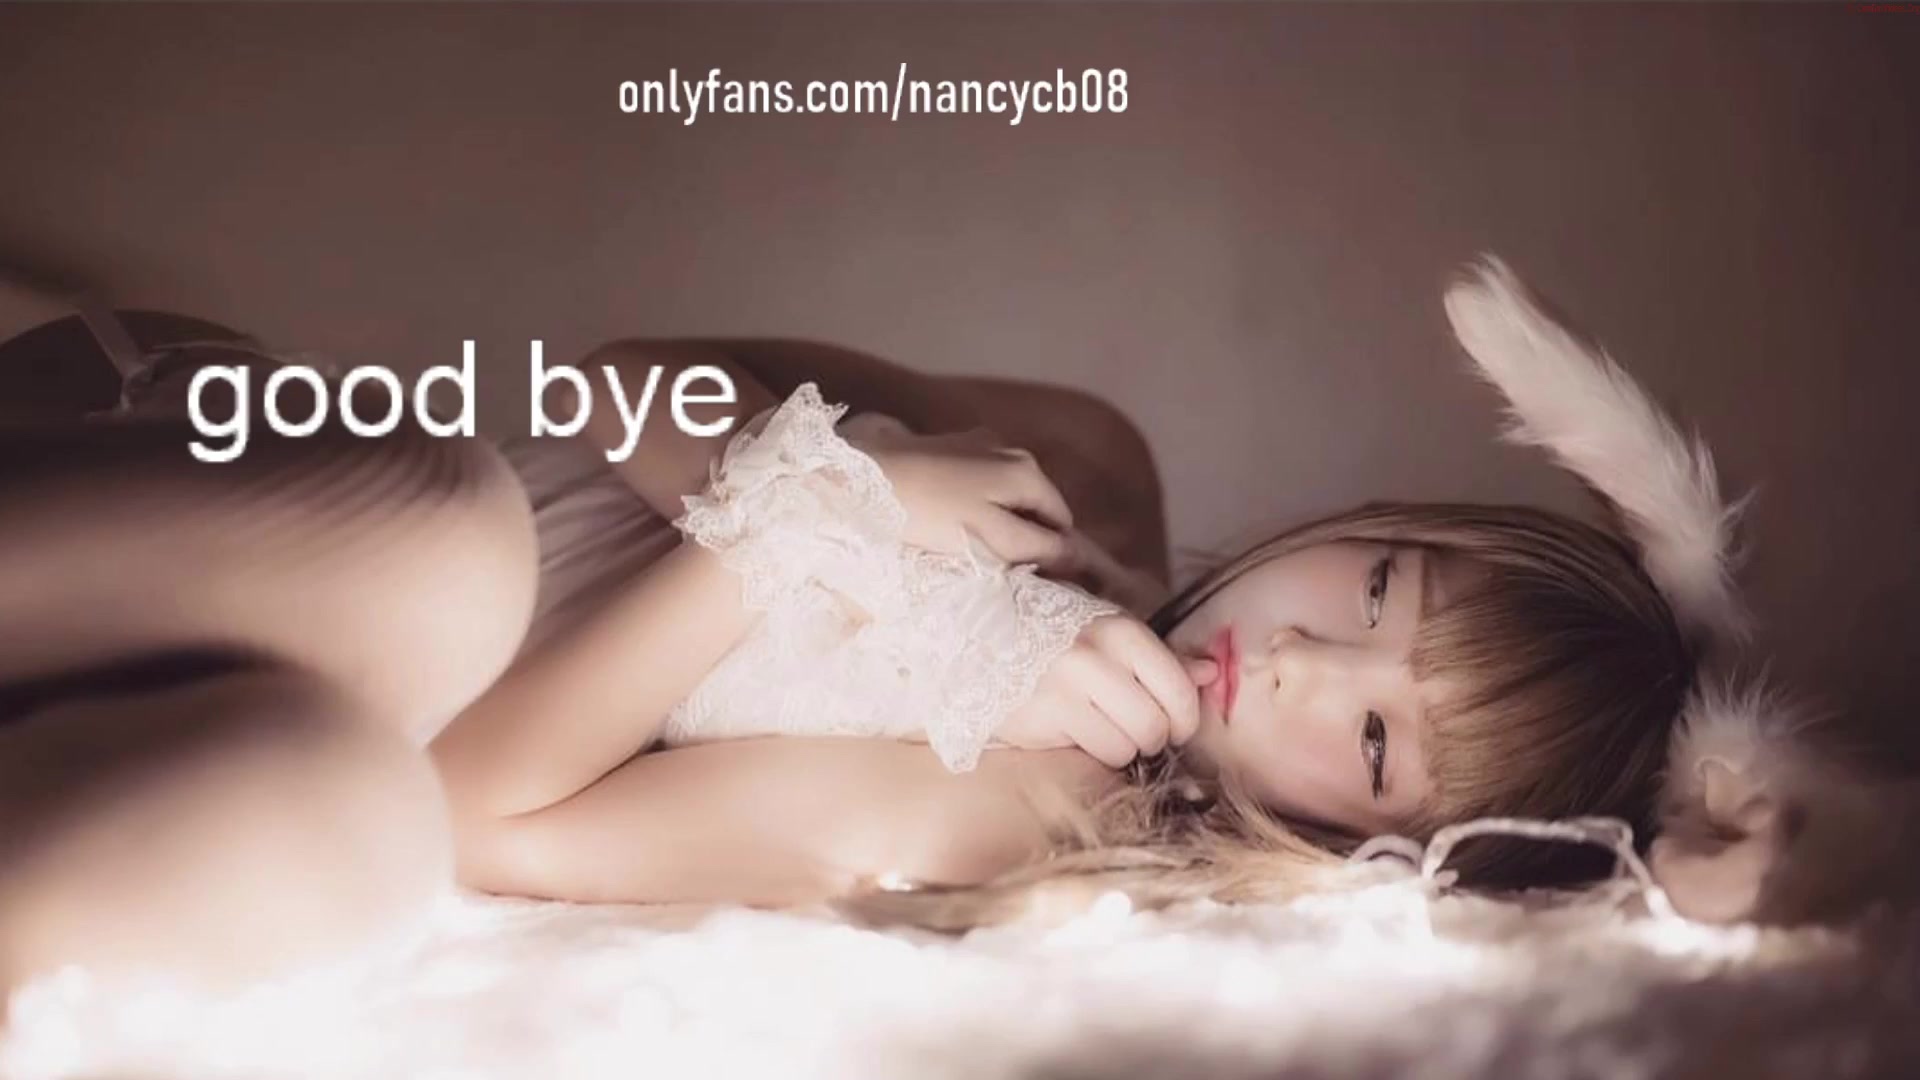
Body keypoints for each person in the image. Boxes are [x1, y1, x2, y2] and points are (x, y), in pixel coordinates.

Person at [0, 257, 1743, 1005]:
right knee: (445, 541)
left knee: (348, 830)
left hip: (321, 726)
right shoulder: (1089, 473)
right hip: (238, 510)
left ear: (1381, 844)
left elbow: (473, 809)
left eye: (1371, 739)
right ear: (1369, 523)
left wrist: (829, 524)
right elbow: (598, 383)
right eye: (1373, 595)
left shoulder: (1023, 806)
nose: (1296, 664)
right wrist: (873, 505)